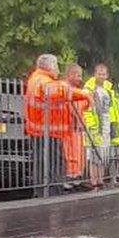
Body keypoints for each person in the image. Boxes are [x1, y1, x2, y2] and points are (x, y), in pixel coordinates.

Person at [83, 64, 119, 183]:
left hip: (107, 126)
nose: (101, 76)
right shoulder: (89, 90)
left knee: (103, 155)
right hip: (94, 127)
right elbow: (86, 110)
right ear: (95, 74)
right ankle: (94, 182)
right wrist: (92, 125)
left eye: (103, 74)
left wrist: (115, 124)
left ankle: (100, 181)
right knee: (93, 156)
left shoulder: (108, 90)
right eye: (99, 74)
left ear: (107, 75)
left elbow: (113, 109)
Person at [24, 54, 61, 193]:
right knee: (51, 163)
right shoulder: (44, 81)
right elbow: (59, 93)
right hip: (47, 130)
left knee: (42, 162)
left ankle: (42, 191)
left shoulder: (36, 78)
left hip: (41, 129)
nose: (58, 69)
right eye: (56, 65)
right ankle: (49, 192)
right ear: (50, 67)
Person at [59, 64, 92, 183]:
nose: (80, 79)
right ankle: (70, 177)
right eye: (78, 75)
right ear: (70, 75)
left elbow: (85, 106)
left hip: (77, 127)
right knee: (69, 154)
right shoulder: (64, 87)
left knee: (77, 153)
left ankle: (75, 176)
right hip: (68, 127)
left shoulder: (78, 92)